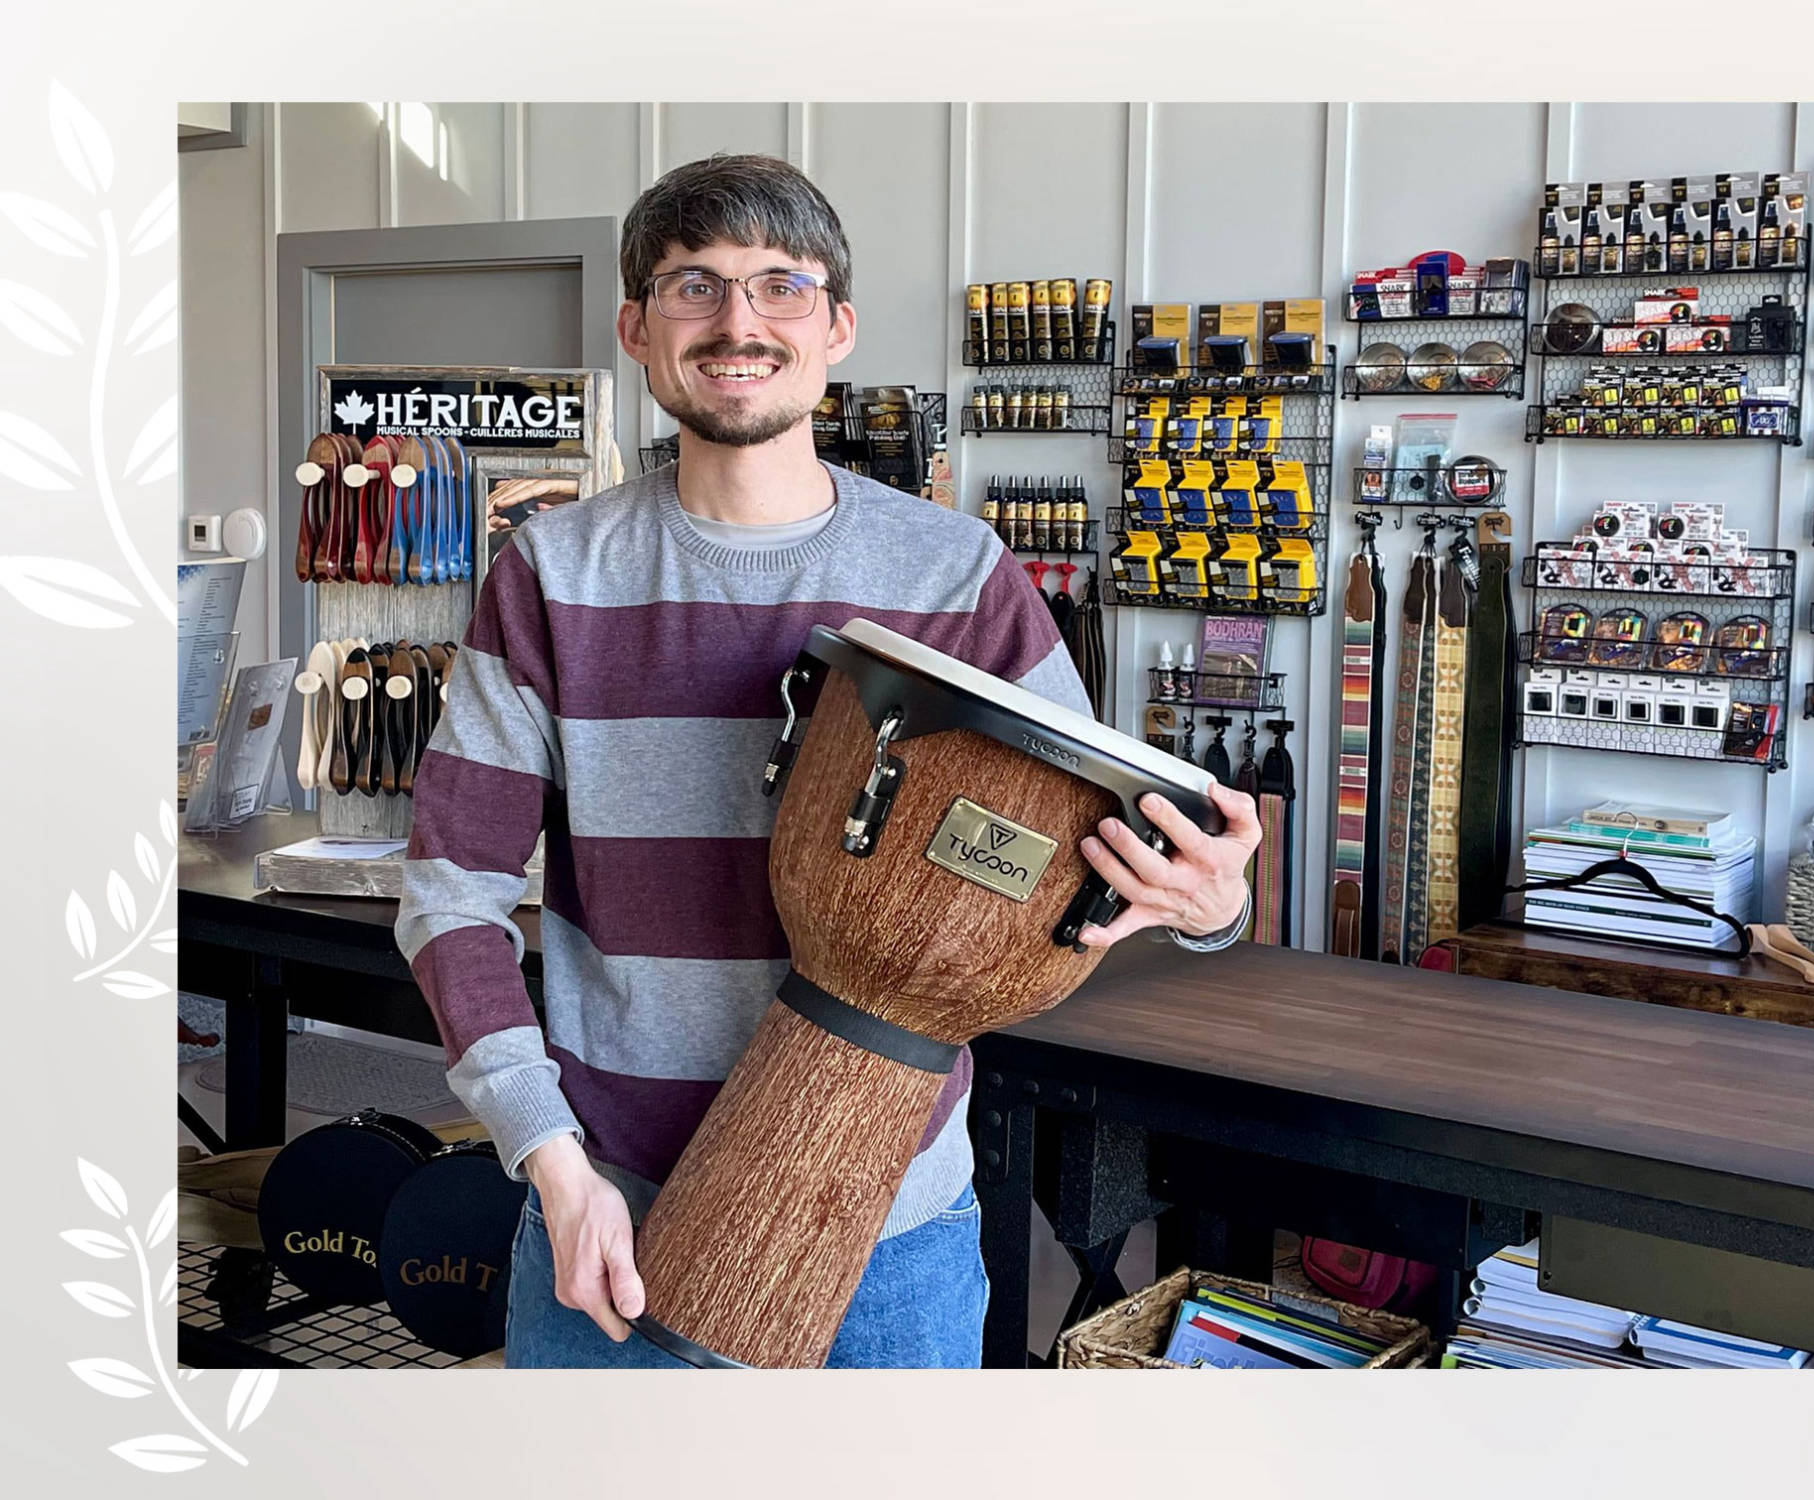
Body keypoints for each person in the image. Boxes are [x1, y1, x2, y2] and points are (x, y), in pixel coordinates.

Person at [394, 153, 1259, 1369]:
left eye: (778, 286)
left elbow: (1101, 865)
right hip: (607, 1211)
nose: (736, 322)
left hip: (891, 1234)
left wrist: (1208, 903)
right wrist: (548, 1157)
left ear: (836, 327)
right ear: (637, 328)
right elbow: (449, 896)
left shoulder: (954, 574)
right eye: (693, 286)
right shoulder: (550, 574)